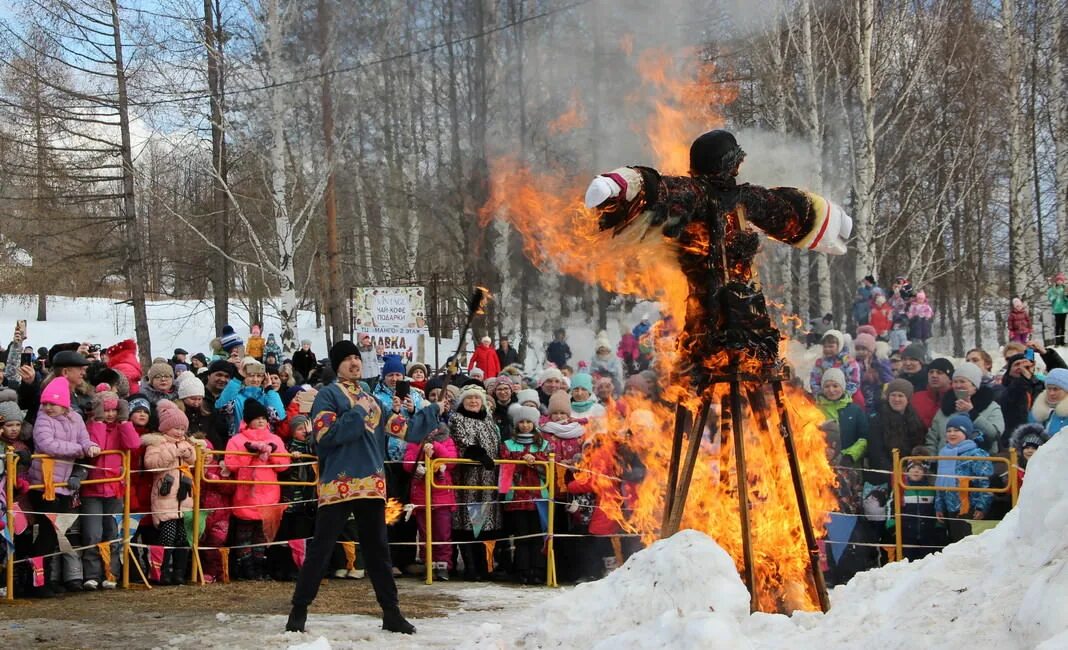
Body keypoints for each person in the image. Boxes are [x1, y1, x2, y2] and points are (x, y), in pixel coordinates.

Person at [287, 340, 436, 635]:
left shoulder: (370, 397)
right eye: (348, 359)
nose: (355, 363)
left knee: (378, 551)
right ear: (337, 364)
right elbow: (326, 436)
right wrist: (357, 411)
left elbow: (404, 430)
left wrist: (431, 411)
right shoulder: (327, 396)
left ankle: (391, 613)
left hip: (372, 484)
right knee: (321, 549)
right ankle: (298, 610)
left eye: (357, 357)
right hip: (338, 484)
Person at [26, 377, 99, 595]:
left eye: (53, 404)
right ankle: (36, 582)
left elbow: (85, 440)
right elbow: (47, 445)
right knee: (47, 533)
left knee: (58, 534)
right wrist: (79, 449)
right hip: (44, 484)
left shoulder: (76, 419)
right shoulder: (42, 420)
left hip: (65, 485)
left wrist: (91, 446)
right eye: (45, 403)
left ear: (64, 404)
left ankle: (48, 579)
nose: (48, 408)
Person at [80, 385, 140, 590]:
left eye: (114, 410)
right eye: (106, 410)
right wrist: (97, 422)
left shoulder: (122, 427)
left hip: (115, 487)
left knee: (112, 533)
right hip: (92, 489)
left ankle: (110, 572)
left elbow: (133, 445)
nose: (110, 414)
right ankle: (92, 574)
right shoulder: (90, 426)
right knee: (92, 534)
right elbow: (96, 448)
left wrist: (124, 421)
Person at [225, 399, 291, 580]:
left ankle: (259, 565)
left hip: (268, 492)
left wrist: (270, 454)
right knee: (244, 531)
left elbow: (284, 465)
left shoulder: (275, 439)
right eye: (256, 418)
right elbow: (231, 464)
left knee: (262, 533)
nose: (261, 421)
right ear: (248, 420)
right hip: (245, 492)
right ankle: (246, 566)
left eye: (263, 418)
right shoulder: (236, 441)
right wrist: (250, 454)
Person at [448, 384, 501, 581]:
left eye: (477, 398)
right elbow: (462, 442)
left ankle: (484, 566)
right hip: (467, 478)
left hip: (487, 480)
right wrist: (479, 454)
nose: (473, 401)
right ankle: (471, 567)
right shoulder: (458, 419)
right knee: (468, 523)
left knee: (484, 524)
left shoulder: (488, 419)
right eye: (469, 398)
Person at [141, 400, 196, 585]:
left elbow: (193, 460)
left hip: (184, 499)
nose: (180, 432)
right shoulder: (156, 443)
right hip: (165, 499)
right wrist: (174, 452)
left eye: (182, 428)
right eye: (176, 428)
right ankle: (160, 571)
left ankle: (179, 572)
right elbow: (152, 464)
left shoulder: (185, 444)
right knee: (167, 537)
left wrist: (188, 452)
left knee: (183, 538)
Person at [402, 404, 456, 582]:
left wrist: (436, 447)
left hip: (442, 495)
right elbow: (407, 463)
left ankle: (443, 565)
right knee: (425, 533)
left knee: (442, 532)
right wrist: (420, 455)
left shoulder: (446, 438)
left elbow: (451, 461)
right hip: (421, 494)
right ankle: (428, 563)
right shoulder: (414, 440)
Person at [499, 404, 551, 584]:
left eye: (529, 422)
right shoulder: (507, 444)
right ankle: (521, 570)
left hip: (538, 495)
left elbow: (549, 468)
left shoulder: (543, 444)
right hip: (517, 496)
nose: (526, 425)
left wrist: (536, 460)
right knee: (522, 536)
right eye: (522, 422)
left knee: (537, 534)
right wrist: (521, 460)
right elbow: (505, 467)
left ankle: (538, 569)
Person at [934, 414, 993, 543]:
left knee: (969, 542)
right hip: (950, 507)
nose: (952, 434)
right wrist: (939, 506)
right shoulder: (944, 453)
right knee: (955, 542)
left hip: (969, 507)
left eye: (957, 430)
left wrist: (981, 507)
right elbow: (940, 483)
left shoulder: (976, 454)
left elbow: (984, 483)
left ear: (966, 433)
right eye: (949, 431)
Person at [885, 450, 945, 561]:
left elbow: (937, 508)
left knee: (927, 560)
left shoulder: (931, 490)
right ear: (907, 470)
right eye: (912, 468)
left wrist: (939, 527)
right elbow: (890, 506)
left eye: (920, 469)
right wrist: (892, 525)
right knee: (907, 559)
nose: (916, 471)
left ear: (925, 472)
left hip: (927, 532)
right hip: (906, 532)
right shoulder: (901, 489)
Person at [865, 379, 926, 488]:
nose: (896, 399)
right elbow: (876, 452)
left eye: (900, 396)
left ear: (908, 399)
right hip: (884, 478)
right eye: (893, 395)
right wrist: (893, 473)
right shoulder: (878, 420)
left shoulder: (915, 420)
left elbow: (918, 446)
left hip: (909, 476)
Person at [216, 357, 285, 437]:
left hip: (264, 443)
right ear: (244, 376)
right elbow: (221, 406)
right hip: (239, 443)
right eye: (251, 375)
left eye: (259, 376)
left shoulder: (267, 397)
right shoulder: (236, 397)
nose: (255, 379)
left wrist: (269, 389)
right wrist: (237, 379)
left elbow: (279, 416)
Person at [815, 368, 868, 468]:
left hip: (850, 465)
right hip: (822, 465)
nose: (831, 390)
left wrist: (849, 456)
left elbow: (864, 438)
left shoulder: (855, 410)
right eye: (827, 386)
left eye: (835, 386)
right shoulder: (815, 410)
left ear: (842, 387)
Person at [808, 330, 860, 398]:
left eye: (830, 346)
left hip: (846, 398)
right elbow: (814, 380)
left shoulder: (848, 361)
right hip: (826, 397)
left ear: (839, 346)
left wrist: (845, 395)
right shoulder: (820, 363)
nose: (827, 349)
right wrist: (820, 395)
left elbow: (854, 380)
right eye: (825, 347)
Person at [1029, 367, 1068, 436]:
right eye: (1049, 388)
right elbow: (1027, 433)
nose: (1051, 393)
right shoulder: (1036, 411)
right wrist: (1031, 443)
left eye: (1056, 389)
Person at [1049, 273, 1068, 346]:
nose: (1059, 282)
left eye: (1061, 280)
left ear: (1063, 281)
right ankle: (1057, 341)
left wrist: (1066, 296)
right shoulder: (1052, 289)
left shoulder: (1065, 288)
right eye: (1058, 280)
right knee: (1057, 326)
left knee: (1063, 326)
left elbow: (1067, 299)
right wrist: (1054, 296)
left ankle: (1062, 341)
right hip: (1057, 310)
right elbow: (1050, 299)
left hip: (1064, 310)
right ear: (1056, 281)